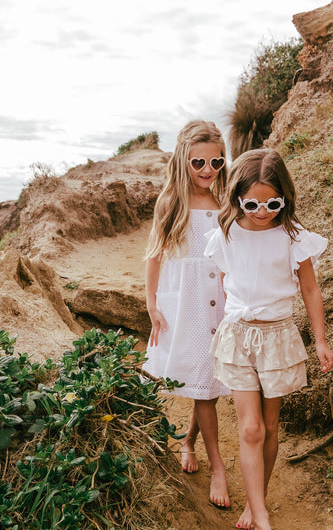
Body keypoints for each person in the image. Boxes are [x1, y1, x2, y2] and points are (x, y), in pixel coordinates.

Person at [204, 148, 333, 530]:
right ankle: (260, 513)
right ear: (237, 198)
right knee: (251, 427)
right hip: (239, 336)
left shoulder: (294, 237)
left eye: (273, 202)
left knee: (272, 427)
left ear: (285, 198)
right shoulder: (225, 234)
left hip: (278, 337)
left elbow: (310, 291)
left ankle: (255, 501)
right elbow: (229, 281)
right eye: (252, 203)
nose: (263, 211)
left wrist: (321, 340)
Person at [144, 120, 231, 510]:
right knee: (203, 382)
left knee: (207, 381)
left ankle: (189, 441)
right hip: (185, 301)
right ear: (183, 159)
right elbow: (155, 255)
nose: (207, 171)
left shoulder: (225, 200)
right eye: (199, 163)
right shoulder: (170, 203)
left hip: (221, 298)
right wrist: (151, 304)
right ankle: (219, 468)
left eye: (216, 162)